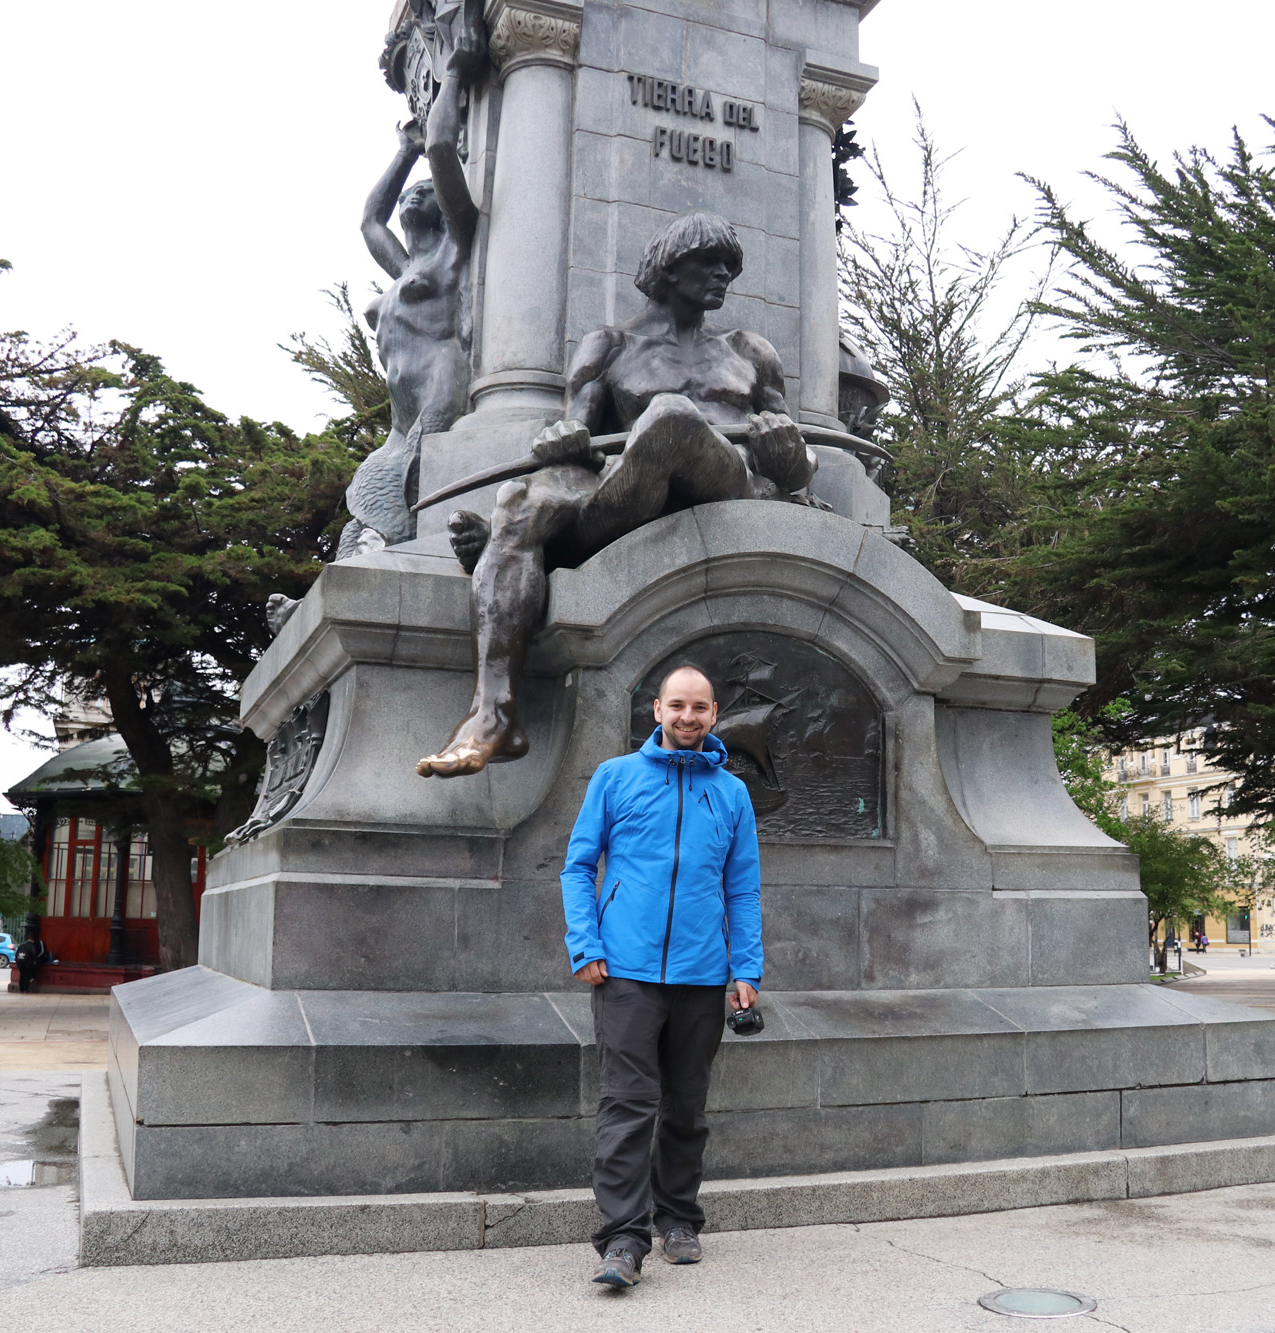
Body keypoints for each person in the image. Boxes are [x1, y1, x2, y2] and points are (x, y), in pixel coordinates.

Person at [418, 212, 816, 778]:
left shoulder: (749, 351)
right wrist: (560, 437)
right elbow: (573, 440)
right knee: (517, 501)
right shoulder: (609, 347)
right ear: (670, 267)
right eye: (710, 262)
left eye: (731, 266)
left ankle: (517, 552)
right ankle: (494, 713)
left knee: (672, 416)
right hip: (634, 491)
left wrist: (787, 456)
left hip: (729, 486)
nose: (723, 276)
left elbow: (799, 465)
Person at [560, 664, 765, 1290]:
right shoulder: (615, 777)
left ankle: (678, 1220)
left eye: (700, 707)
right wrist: (585, 943)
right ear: (657, 710)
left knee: (686, 1107)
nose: (688, 716)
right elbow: (577, 867)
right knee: (627, 1105)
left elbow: (743, 888)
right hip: (624, 971)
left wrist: (745, 968)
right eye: (677, 705)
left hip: (704, 977)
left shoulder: (731, 793)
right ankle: (622, 1238)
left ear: (713, 714)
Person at [341, 10, 482, 557]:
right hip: (399, 421)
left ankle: (413, 555)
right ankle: (355, 562)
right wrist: (405, 151)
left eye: (422, 192)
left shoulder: (453, 251)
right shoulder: (402, 269)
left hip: (440, 389)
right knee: (372, 491)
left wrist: (454, 74)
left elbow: (444, 150)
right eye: (408, 195)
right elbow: (368, 221)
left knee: (418, 493)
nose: (410, 198)